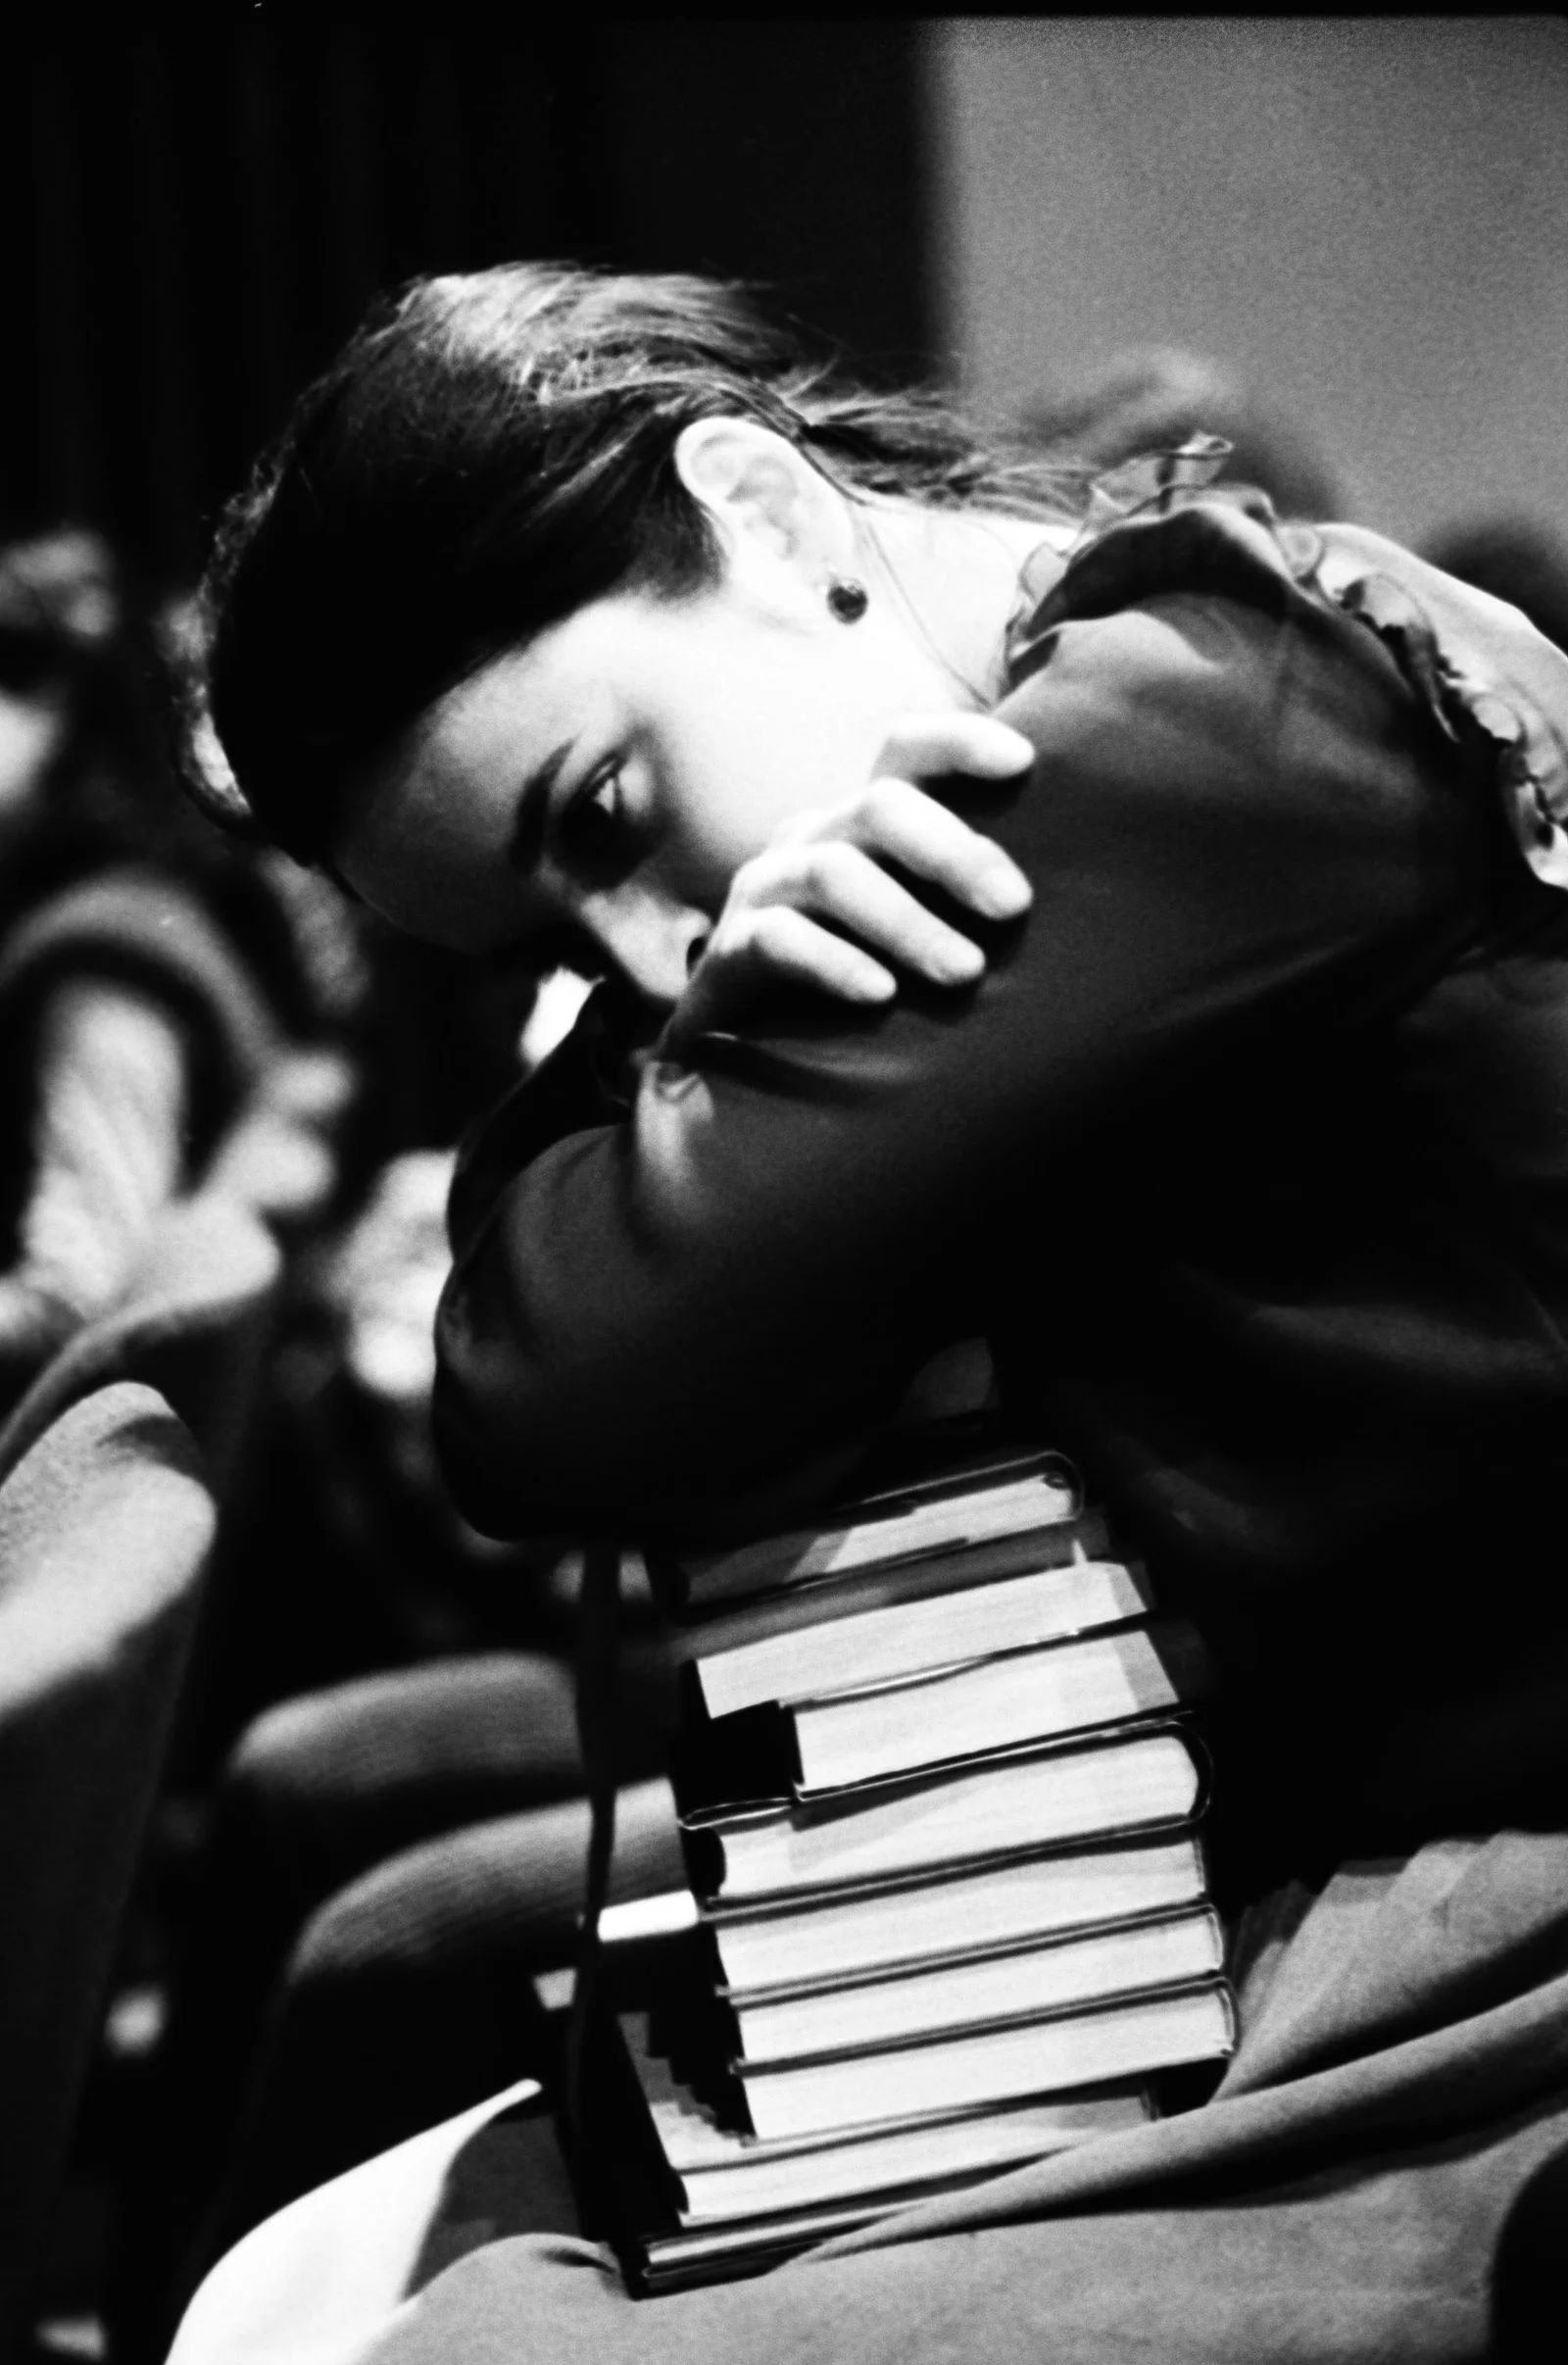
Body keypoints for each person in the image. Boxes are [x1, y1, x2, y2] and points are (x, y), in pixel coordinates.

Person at [170, 263, 1568, 2363]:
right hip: (1315, 1845)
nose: (654, 965)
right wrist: (660, 1069)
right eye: (552, 949)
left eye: (607, 817)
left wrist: (634, 1106)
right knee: (388, 2100)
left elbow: (547, 1385)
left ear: (765, 512)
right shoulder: (1131, 691)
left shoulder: (1177, 730)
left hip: (1481, 1907)